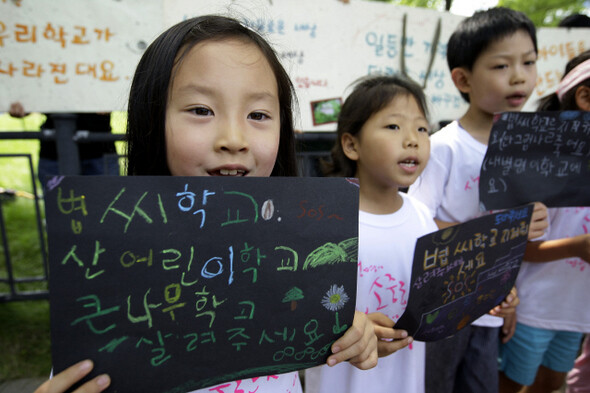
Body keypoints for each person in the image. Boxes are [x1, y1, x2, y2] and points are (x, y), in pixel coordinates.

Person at [34, 14, 379, 393]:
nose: (234, 139)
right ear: (151, 119)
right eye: (201, 110)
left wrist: (353, 332)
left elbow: (325, 331)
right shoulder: (108, 270)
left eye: (258, 115)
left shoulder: (295, 251)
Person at [407, 7, 547, 393]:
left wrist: (527, 229)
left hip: (491, 307)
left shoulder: (524, 149)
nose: (520, 75)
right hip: (444, 306)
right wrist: (500, 233)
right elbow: (416, 221)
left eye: (529, 62)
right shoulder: (443, 148)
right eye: (502, 66)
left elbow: (517, 236)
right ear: (463, 78)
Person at [305, 74, 434, 393]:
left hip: (406, 380)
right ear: (351, 145)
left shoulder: (421, 215)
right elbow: (303, 309)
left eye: (422, 128)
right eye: (393, 126)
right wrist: (355, 328)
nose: (412, 139)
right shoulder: (325, 222)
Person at [498, 50, 590, 393]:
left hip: (578, 309)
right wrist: (578, 247)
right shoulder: (545, 164)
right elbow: (519, 246)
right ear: (584, 96)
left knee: (552, 383)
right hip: (533, 308)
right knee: (513, 384)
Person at [8, 103, 119, 188]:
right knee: (59, 211)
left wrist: (110, 101)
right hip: (53, 153)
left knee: (103, 207)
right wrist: (20, 103)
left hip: (99, 149)